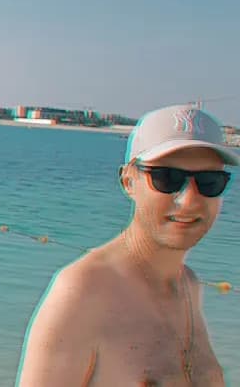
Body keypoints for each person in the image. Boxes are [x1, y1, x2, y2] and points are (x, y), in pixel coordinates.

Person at [16, 104, 238, 386]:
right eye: (166, 178)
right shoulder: (84, 291)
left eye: (210, 182)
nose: (189, 200)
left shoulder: (188, 285)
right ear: (128, 181)